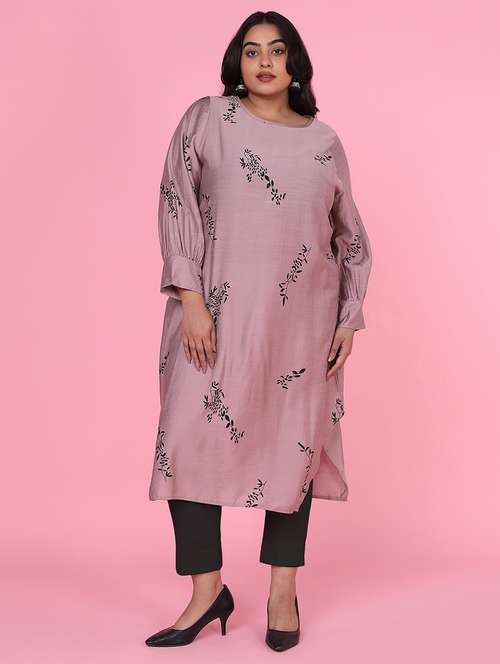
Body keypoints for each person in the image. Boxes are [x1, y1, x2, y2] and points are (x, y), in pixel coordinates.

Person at [145, 10, 372, 651]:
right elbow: (176, 201)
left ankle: (282, 593)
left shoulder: (324, 142)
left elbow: (350, 239)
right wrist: (191, 298)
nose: (265, 62)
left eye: (277, 50)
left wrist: (348, 318)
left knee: (291, 451)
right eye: (252, 51)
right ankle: (206, 593)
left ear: (295, 63)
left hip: (300, 327)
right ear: (237, 62)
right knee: (186, 442)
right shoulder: (207, 120)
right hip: (211, 319)